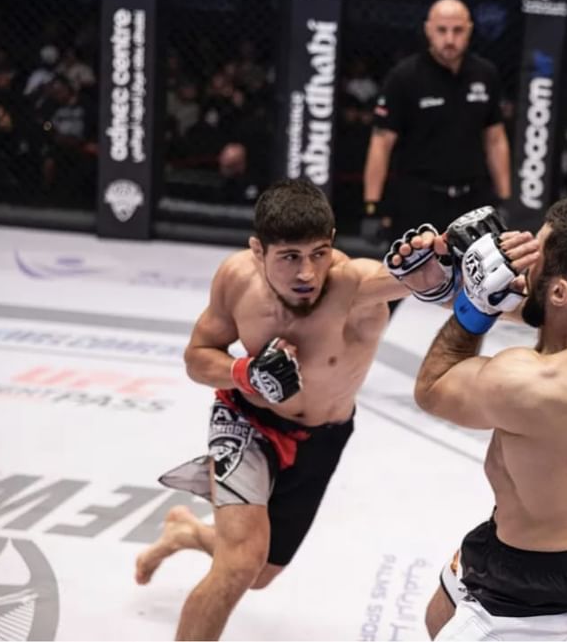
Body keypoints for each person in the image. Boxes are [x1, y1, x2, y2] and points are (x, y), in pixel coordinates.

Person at [133, 179, 454, 640]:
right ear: (257, 251)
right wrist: (246, 373)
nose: (307, 272)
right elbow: (197, 358)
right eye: (289, 257)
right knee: (240, 563)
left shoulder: (357, 285)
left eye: (319, 253)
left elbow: (425, 282)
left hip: (323, 437)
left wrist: (436, 265)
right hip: (246, 421)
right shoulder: (236, 280)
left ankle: (186, 533)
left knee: (260, 573)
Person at [390, 198, 567, 640]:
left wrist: (473, 308)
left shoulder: (535, 383)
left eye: (536, 254)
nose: (524, 259)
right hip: (531, 547)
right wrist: (445, 284)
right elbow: (534, 303)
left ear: (561, 292)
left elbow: (432, 389)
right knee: (439, 618)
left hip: (521, 600)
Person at [363, 0, 511, 235]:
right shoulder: (404, 77)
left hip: (472, 199)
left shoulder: (486, 74)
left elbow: (495, 138)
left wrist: (504, 199)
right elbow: (381, 142)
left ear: (469, 30)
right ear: (428, 30)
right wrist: (372, 205)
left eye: (458, 30)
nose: (450, 39)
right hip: (418, 199)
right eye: (442, 30)